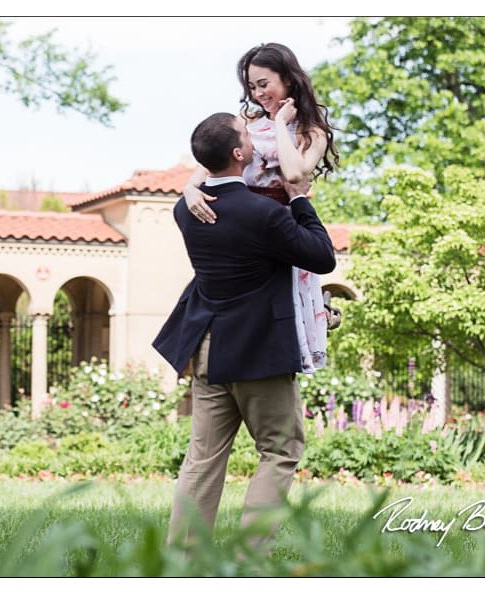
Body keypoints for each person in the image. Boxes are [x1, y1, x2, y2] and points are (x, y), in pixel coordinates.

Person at [152, 112, 335, 550]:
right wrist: (299, 199)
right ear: (240, 153)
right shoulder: (262, 214)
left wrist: (189, 184)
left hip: (207, 351)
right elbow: (322, 257)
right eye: (245, 132)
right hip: (257, 353)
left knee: (203, 458)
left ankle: (183, 558)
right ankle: (248, 554)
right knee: (280, 449)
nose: (253, 136)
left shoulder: (187, 208)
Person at [184, 42, 340, 373]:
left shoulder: (311, 131)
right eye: (252, 87)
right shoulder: (246, 123)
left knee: (282, 310)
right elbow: (206, 168)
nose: (258, 94)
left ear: (288, 78)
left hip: (280, 228)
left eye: (264, 84)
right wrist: (189, 190)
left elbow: (296, 173)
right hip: (242, 227)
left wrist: (281, 124)